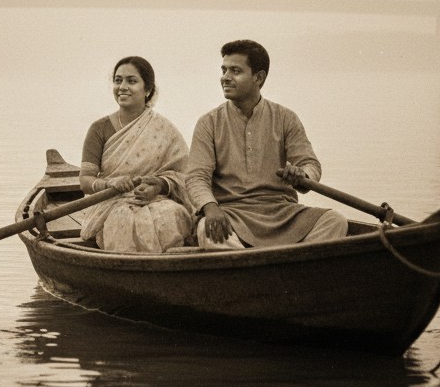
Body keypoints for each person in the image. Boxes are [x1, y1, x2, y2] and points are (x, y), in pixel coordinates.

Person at [185, 39, 347, 249]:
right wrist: (211, 208)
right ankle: (281, 270)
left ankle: (271, 269)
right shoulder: (209, 123)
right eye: (224, 70)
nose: (225, 77)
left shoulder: (285, 117)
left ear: (258, 78)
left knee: (335, 221)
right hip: (232, 213)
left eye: (235, 71)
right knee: (209, 230)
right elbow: (196, 176)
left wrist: (302, 176)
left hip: (282, 212)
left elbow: (311, 164)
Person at [78, 56, 195, 252]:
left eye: (131, 81)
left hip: (157, 201)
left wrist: (158, 187)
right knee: (121, 222)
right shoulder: (99, 129)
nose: (122, 87)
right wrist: (110, 183)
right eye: (118, 80)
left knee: (170, 216)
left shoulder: (164, 129)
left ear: (147, 90)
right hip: (111, 203)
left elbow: (185, 176)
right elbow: (85, 181)